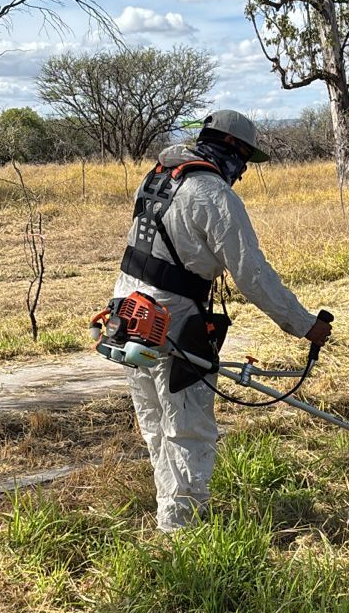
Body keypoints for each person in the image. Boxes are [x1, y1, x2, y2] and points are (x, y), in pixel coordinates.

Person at [113, 109, 332, 532]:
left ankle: (170, 519)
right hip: (174, 320)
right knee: (188, 427)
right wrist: (304, 324)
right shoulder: (212, 194)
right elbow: (252, 274)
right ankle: (186, 531)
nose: (243, 171)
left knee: (156, 424)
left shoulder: (157, 178)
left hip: (128, 313)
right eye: (244, 158)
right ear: (230, 148)